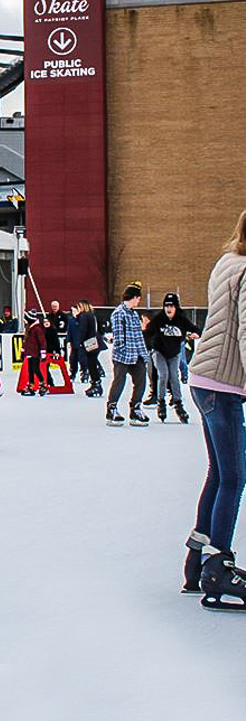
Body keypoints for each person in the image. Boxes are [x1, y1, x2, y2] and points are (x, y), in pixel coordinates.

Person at [182, 211, 246, 609]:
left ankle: (195, 563)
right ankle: (219, 566)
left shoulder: (227, 262)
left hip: (203, 380)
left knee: (220, 474)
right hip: (222, 386)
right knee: (235, 477)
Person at [145, 293, 200, 423]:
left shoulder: (181, 319)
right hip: (159, 352)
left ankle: (178, 402)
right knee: (163, 374)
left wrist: (195, 334)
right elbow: (148, 332)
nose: (168, 309)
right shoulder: (159, 319)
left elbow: (195, 328)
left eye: (171, 306)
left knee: (174, 376)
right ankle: (161, 402)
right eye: (166, 306)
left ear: (176, 307)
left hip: (174, 353)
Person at [105, 282, 152, 427]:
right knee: (119, 381)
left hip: (136, 354)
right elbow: (119, 337)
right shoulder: (119, 313)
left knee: (141, 380)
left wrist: (144, 355)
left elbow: (139, 337)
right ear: (134, 297)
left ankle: (135, 408)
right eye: (138, 298)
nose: (139, 301)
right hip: (122, 356)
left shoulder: (133, 314)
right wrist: (123, 352)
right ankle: (111, 408)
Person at [76, 300, 105, 398]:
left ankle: (96, 383)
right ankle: (95, 382)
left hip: (89, 342)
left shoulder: (84, 316)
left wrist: (80, 342)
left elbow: (83, 330)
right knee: (92, 363)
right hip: (94, 341)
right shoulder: (91, 315)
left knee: (91, 363)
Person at [20, 309, 48, 396]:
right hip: (29, 352)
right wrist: (23, 350)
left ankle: (43, 384)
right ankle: (31, 383)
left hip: (35, 352)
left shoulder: (37, 329)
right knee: (30, 369)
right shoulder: (29, 328)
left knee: (36, 368)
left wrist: (43, 352)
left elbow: (42, 341)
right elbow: (26, 341)